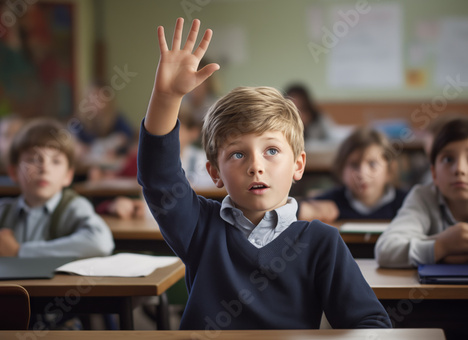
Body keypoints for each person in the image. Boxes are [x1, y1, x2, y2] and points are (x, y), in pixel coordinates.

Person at [137, 18, 391, 329]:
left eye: (271, 151)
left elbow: (370, 323)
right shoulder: (200, 227)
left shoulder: (322, 242)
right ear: (215, 173)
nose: (256, 165)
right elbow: (159, 177)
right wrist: (166, 98)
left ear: (298, 165)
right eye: (238, 154)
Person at [0, 118, 114, 258]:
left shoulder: (73, 207)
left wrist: (19, 252)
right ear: (14, 172)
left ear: (68, 176)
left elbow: (101, 243)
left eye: (56, 161)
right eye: (33, 159)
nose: (44, 168)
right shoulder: (2, 213)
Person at [375, 117, 468, 268]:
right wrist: (442, 246)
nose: (459, 169)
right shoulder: (423, 197)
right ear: (434, 173)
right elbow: (385, 250)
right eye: (448, 159)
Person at [298, 128, 408, 223]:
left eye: (372, 164)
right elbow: (293, 210)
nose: (362, 174)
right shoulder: (330, 204)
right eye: (354, 165)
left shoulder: (407, 203)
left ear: (389, 170)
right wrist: (306, 209)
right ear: (341, 170)